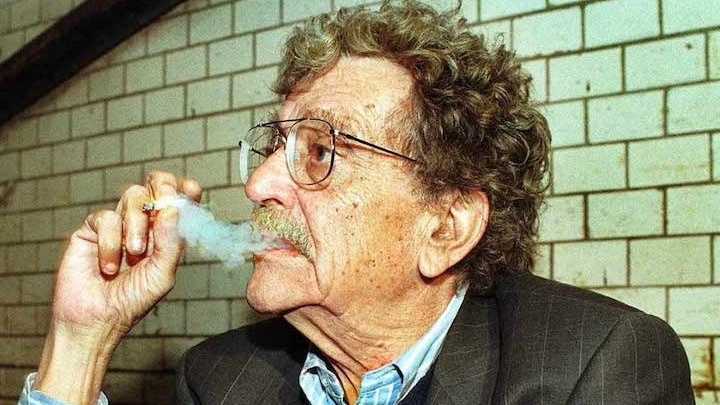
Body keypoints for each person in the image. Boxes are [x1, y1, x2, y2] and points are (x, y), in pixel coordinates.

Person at [20, 1, 693, 404]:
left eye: (320, 151)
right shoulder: (222, 380)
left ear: (446, 226)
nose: (258, 185)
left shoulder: (592, 370)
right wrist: (81, 342)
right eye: (274, 145)